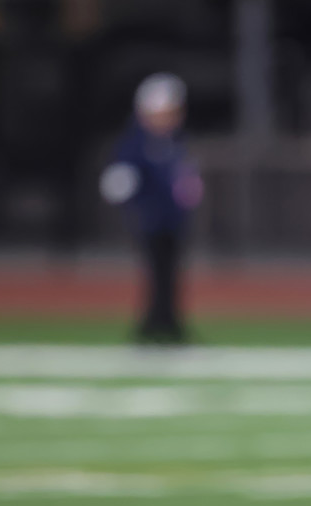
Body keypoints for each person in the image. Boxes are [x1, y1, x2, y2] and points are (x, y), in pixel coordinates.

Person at [99, 72, 202, 345]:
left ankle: (168, 323)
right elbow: (120, 179)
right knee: (157, 273)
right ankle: (153, 325)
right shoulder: (137, 144)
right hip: (150, 219)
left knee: (170, 274)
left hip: (173, 219)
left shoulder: (174, 142)